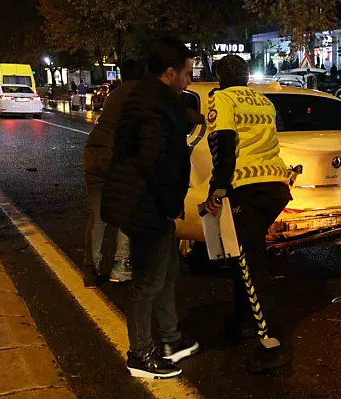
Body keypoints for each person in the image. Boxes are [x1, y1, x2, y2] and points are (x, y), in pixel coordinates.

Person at [101, 37, 200, 379]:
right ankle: (140, 355)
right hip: (146, 204)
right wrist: (170, 204)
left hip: (150, 201)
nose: (189, 79)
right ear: (170, 72)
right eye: (187, 73)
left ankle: (171, 339)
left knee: (167, 272)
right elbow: (154, 161)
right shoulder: (152, 105)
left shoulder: (154, 98)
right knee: (147, 282)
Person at [201, 55, 293, 373]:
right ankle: (239, 322)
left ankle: (271, 344)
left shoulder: (222, 100)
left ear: (219, 77)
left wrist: (218, 189)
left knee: (251, 264)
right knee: (245, 256)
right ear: (246, 76)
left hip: (247, 188)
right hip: (276, 187)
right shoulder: (263, 101)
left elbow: (223, 144)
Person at [82, 60, 145, 287]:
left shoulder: (114, 94)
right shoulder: (140, 93)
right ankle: (121, 266)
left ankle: (91, 269)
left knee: (96, 216)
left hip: (93, 152)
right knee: (125, 211)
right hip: (115, 155)